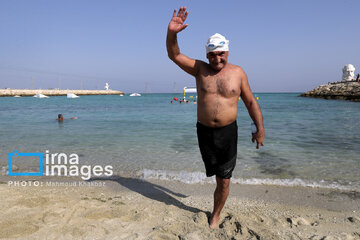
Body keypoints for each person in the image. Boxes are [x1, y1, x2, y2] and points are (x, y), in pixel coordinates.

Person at [166, 7, 265, 228]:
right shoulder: (199, 69)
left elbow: (250, 102)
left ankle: (216, 214)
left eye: (221, 53)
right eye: (212, 54)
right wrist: (172, 32)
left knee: (224, 179)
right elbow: (174, 54)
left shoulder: (238, 73)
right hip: (204, 132)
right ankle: (215, 205)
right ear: (206, 54)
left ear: (227, 53)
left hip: (228, 132)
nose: (217, 58)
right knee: (213, 174)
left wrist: (259, 128)